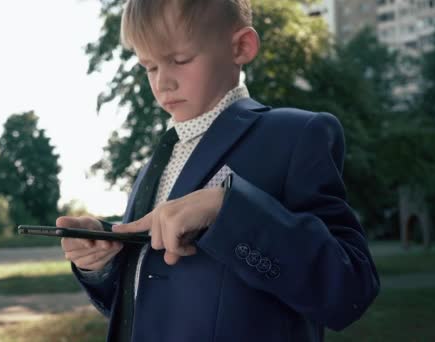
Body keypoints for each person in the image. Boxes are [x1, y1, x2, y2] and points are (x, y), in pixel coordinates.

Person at [57, 0, 380, 341]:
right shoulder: (157, 161)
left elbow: (350, 291)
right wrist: (101, 259)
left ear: (241, 46)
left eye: (179, 60)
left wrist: (228, 210)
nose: (163, 83)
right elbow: (144, 300)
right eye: (149, 67)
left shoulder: (295, 136)